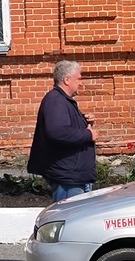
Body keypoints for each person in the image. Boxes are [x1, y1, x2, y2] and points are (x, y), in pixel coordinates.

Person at [27, 60, 98, 202]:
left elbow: (64, 125)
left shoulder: (63, 100)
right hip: (67, 178)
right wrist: (88, 134)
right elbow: (57, 132)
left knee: (78, 220)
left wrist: (83, 120)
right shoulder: (56, 101)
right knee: (72, 219)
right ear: (67, 80)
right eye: (78, 79)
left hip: (74, 175)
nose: (81, 83)